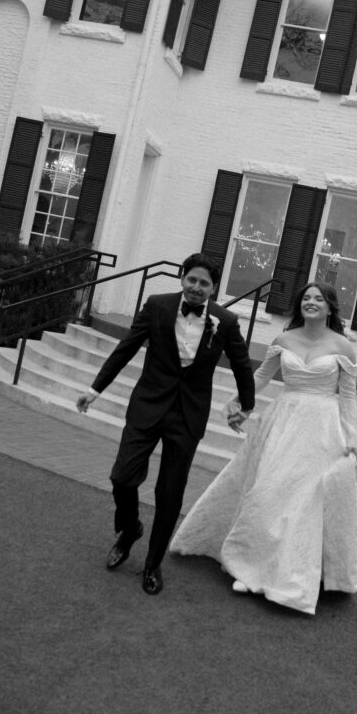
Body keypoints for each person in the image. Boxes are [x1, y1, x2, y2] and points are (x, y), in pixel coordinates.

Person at [170, 281, 357, 616]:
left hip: (322, 432)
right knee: (268, 493)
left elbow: (347, 398)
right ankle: (250, 566)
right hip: (282, 424)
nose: (311, 302)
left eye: (319, 299)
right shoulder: (283, 340)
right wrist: (238, 404)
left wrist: (352, 439)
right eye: (306, 298)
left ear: (330, 308)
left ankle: (291, 578)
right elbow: (258, 379)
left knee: (303, 503)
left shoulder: (344, 347)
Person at [76, 253, 255, 596]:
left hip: (187, 416)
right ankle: (130, 529)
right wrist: (94, 390)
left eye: (204, 283)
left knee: (169, 493)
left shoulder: (226, 322)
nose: (197, 288)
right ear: (182, 278)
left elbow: (242, 366)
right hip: (148, 406)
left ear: (214, 288)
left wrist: (245, 407)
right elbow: (126, 348)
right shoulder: (157, 306)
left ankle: (152, 564)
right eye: (192, 280)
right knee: (122, 477)